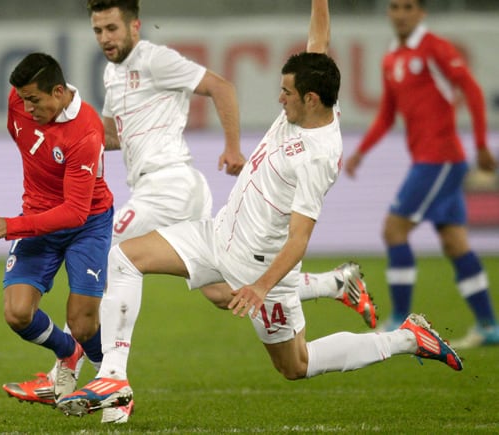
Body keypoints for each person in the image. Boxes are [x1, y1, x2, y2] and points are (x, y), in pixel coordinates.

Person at [57, 0, 462, 419]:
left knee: (295, 365)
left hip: (257, 265)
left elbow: (299, 239)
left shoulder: (316, 158)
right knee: (123, 256)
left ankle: (408, 339)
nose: (278, 98)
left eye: (285, 93)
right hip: (218, 236)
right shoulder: (315, 92)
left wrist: (262, 287)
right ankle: (114, 377)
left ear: (309, 98)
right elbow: (319, 36)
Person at [3, 0, 378, 424]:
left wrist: (232, 146)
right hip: (151, 185)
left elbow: (221, 86)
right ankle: (335, 283)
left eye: (112, 27)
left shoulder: (156, 60)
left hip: (170, 186)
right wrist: (68, 127)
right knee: (224, 293)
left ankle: (82, 376)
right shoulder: (113, 75)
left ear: (134, 27)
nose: (105, 38)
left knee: (109, 255)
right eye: (98, 30)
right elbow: (109, 135)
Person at [344, 0, 499, 348]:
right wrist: (360, 153)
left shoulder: (435, 48)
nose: (400, 13)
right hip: (429, 160)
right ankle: (489, 326)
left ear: (421, 12)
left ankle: (400, 320)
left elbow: (471, 90)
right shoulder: (391, 57)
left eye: (408, 7)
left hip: (440, 159)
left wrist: (481, 144)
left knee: (394, 228)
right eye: (395, 7)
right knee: (454, 242)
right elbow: (387, 114)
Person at [0, 52, 114, 412]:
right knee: (17, 313)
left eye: (34, 100)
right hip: (38, 217)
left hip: (87, 223)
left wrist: (12, 226)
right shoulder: (19, 103)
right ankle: (67, 356)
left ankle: (110, 382)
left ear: (59, 92)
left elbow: (74, 211)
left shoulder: (85, 131)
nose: (26, 107)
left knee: (82, 323)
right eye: (22, 99)